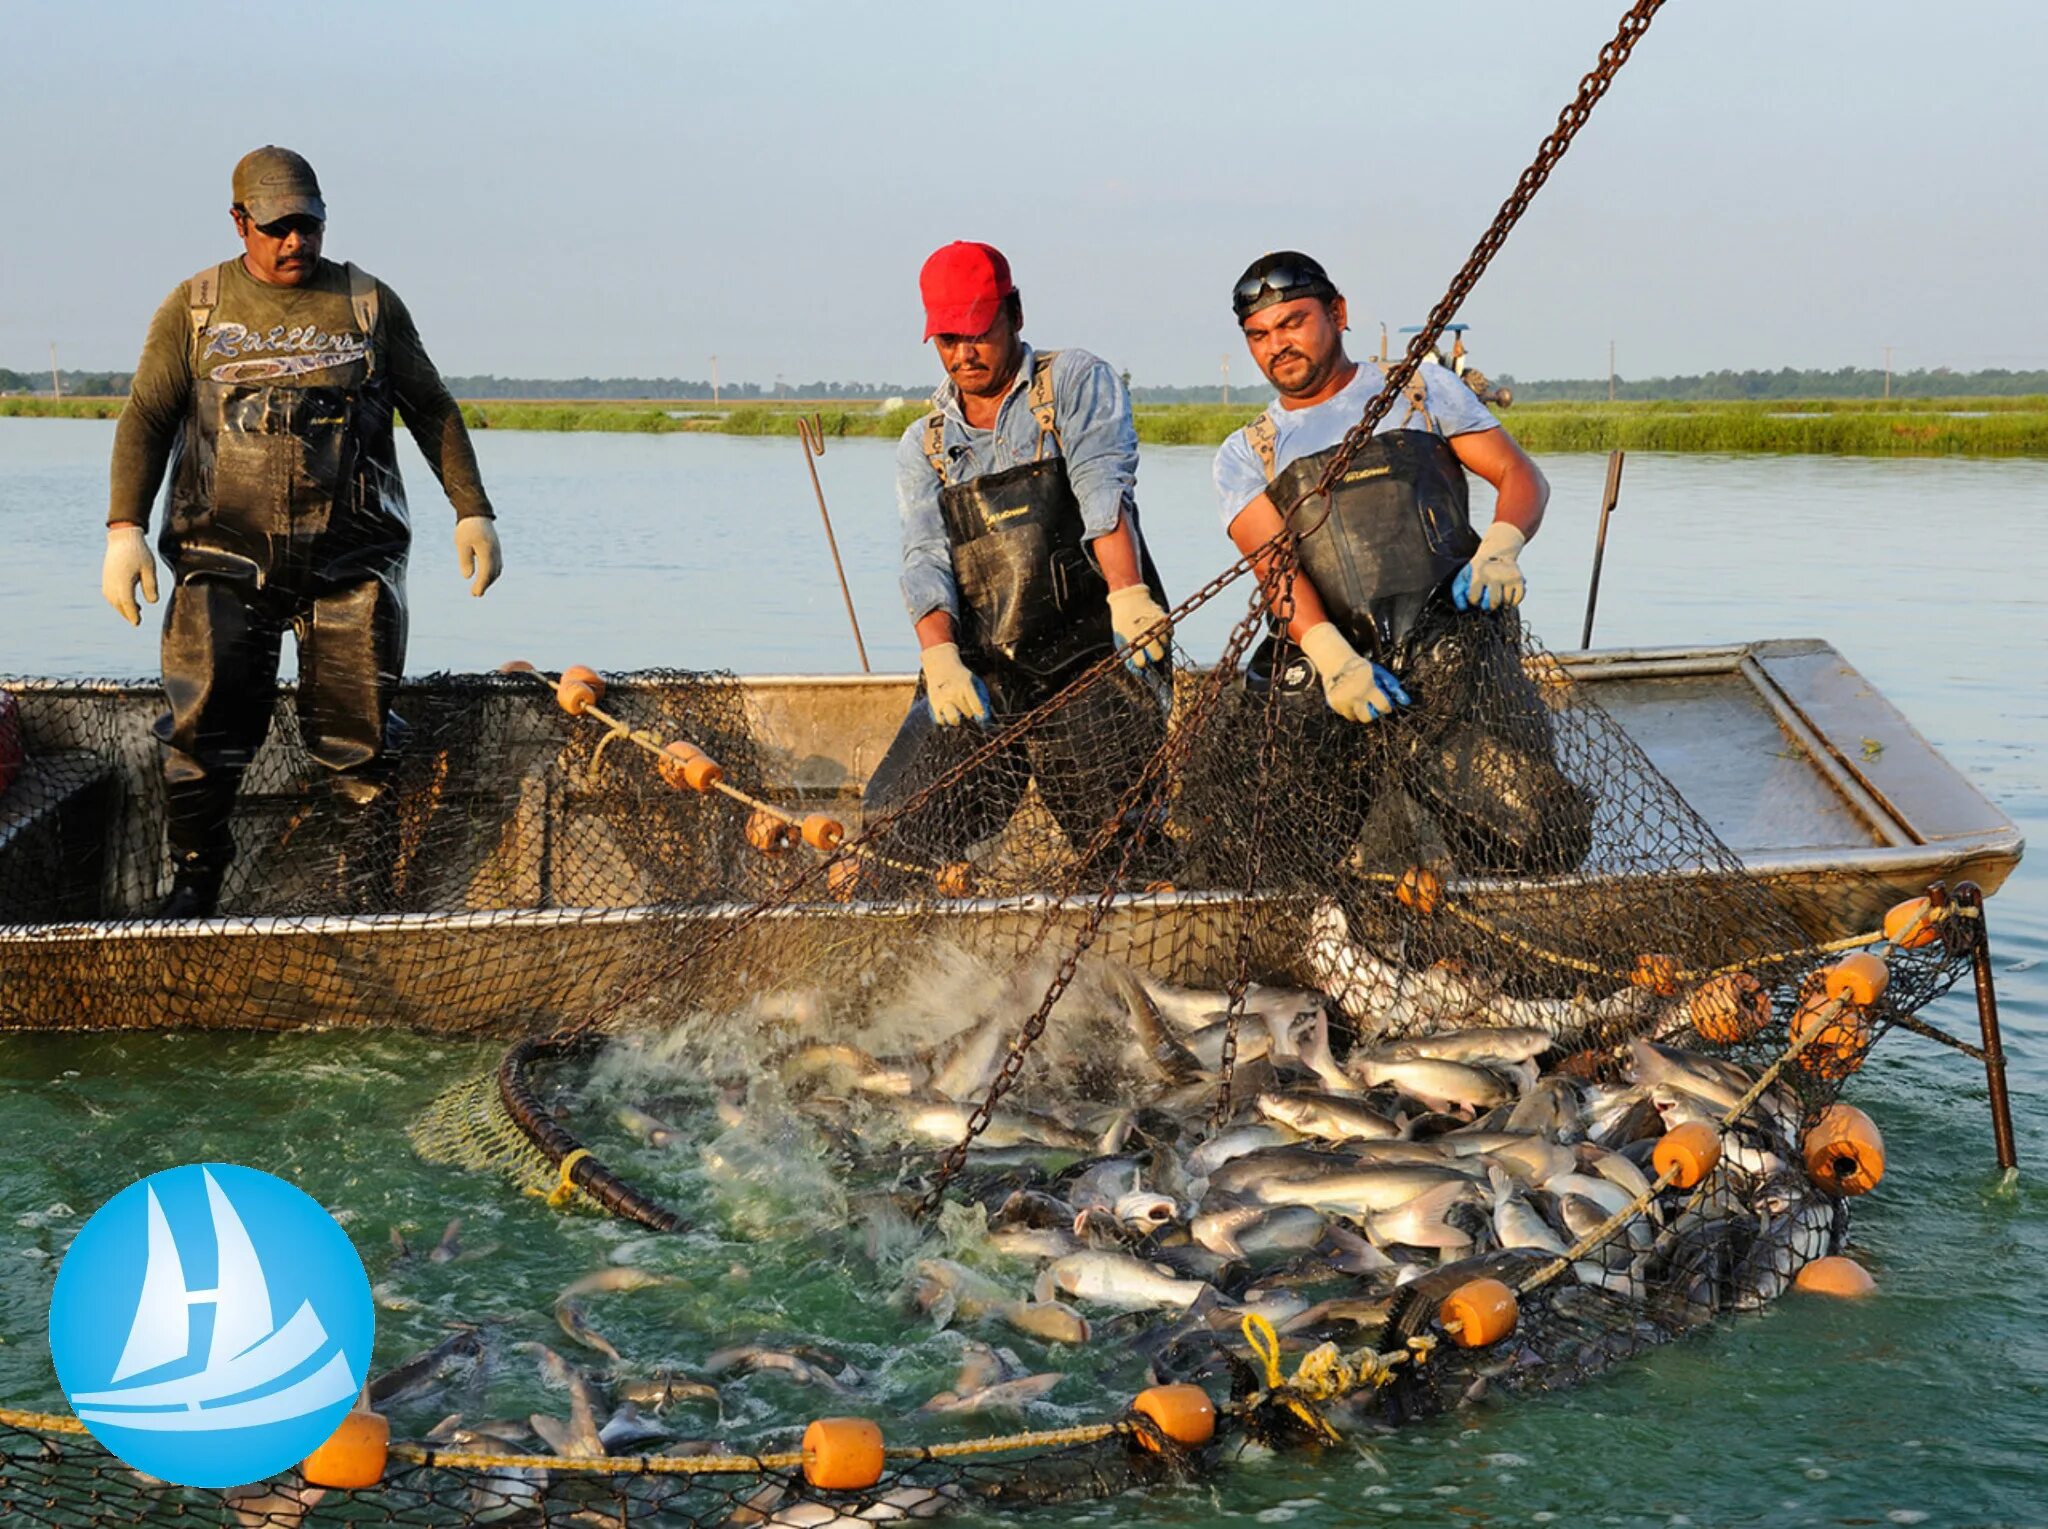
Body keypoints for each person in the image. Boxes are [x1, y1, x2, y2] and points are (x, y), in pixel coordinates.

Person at [99, 146, 504, 917]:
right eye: (279, 227)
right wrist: (125, 529)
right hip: (222, 556)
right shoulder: (196, 307)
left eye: (308, 226)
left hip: (354, 561)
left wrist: (472, 508)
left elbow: (433, 408)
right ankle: (194, 885)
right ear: (240, 221)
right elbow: (147, 418)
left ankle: (363, 896)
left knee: (360, 744)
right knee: (203, 729)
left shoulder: (368, 303)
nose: (296, 243)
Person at [1212, 251, 1591, 877]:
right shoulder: (1246, 451)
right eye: (1260, 335)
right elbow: (1277, 573)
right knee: (1278, 854)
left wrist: (1501, 544)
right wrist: (1334, 661)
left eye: (1295, 322)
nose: (1278, 345)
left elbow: (1519, 475)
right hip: (1340, 679)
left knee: (1534, 837)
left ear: (1337, 313)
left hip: (1456, 660)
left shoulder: (1418, 390)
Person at [861, 241, 1176, 888]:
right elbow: (925, 559)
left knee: (1120, 841)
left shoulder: (1073, 383)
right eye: (948, 338)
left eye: (978, 332)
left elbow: (1102, 493)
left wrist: (1127, 594)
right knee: (894, 827)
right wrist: (939, 659)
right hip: (989, 669)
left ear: (1016, 313)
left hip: (1094, 656)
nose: (963, 354)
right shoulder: (925, 446)